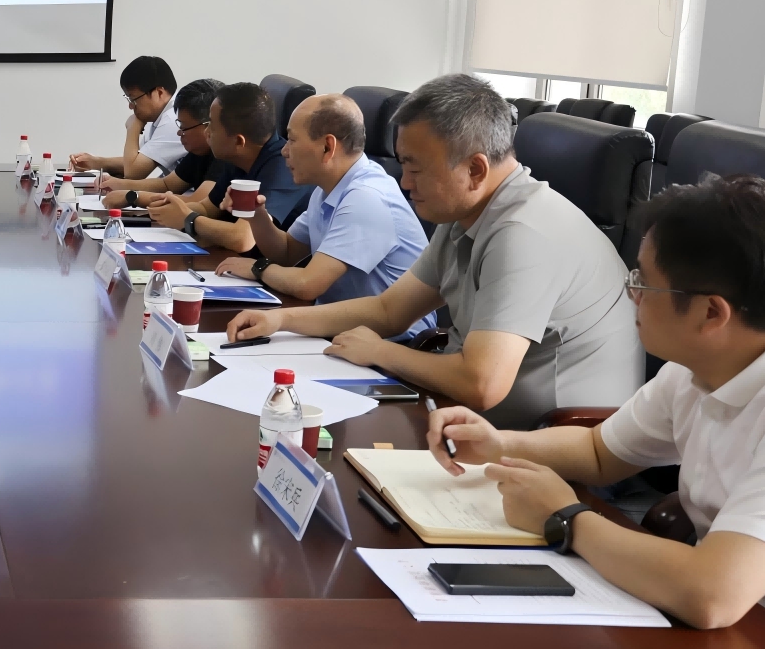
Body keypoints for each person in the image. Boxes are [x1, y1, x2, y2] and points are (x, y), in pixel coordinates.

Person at [426, 176, 765, 649]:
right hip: (734, 644)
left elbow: (713, 593)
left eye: (643, 283)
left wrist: (565, 518)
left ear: (711, 313)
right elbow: (600, 453)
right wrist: (501, 443)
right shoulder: (708, 359)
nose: (632, 295)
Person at [224, 73, 641, 426]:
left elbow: (482, 383)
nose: (404, 183)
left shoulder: (524, 233)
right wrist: (280, 319)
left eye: (415, 168)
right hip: (470, 420)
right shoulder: (465, 214)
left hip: (549, 445)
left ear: (474, 169)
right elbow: (389, 310)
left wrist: (380, 351)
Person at [214, 94, 431, 338]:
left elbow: (308, 284)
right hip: (340, 331)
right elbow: (287, 252)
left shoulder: (367, 197)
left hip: (392, 346)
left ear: (327, 147)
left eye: (292, 140)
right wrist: (257, 215)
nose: (284, 151)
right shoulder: (327, 189)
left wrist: (258, 268)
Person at [142, 81, 313, 253]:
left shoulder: (283, 167)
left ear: (238, 141)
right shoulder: (238, 158)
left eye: (212, 126)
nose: (207, 132)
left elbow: (242, 238)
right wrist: (170, 209)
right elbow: (207, 208)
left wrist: (188, 218)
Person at [95, 78, 222, 208]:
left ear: (209, 125)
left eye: (184, 127)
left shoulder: (224, 156)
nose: (179, 133)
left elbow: (198, 204)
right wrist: (118, 184)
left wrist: (133, 197)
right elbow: (167, 185)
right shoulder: (200, 152)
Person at [69, 55, 185, 178]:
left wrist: (133, 127)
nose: (131, 106)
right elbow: (137, 160)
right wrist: (96, 162)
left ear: (159, 93)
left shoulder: (173, 119)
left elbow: (133, 173)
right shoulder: (163, 115)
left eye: (133, 99)